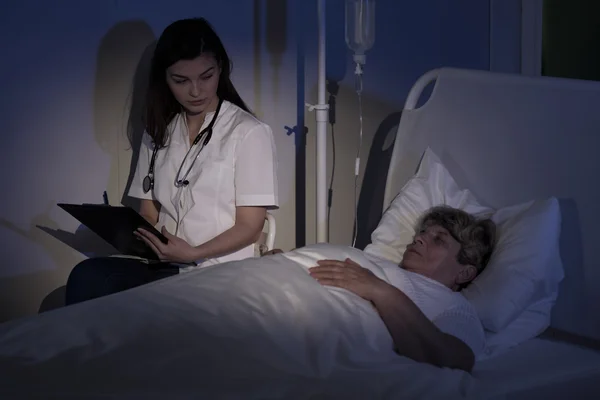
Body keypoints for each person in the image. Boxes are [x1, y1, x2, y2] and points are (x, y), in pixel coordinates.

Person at [65, 18, 279, 305]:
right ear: (164, 79)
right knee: (87, 274)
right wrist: (117, 228)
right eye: (180, 80)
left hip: (217, 272)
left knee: (110, 293)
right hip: (164, 268)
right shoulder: (158, 132)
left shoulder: (249, 133)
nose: (195, 91)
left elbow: (250, 226)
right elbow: (148, 214)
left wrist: (193, 253)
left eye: (206, 76)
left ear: (221, 69)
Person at [267, 205, 496, 372]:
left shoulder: (456, 307)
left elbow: (455, 360)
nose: (419, 239)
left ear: (465, 272)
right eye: (422, 233)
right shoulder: (381, 265)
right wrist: (288, 261)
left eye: (439, 239)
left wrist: (380, 291)